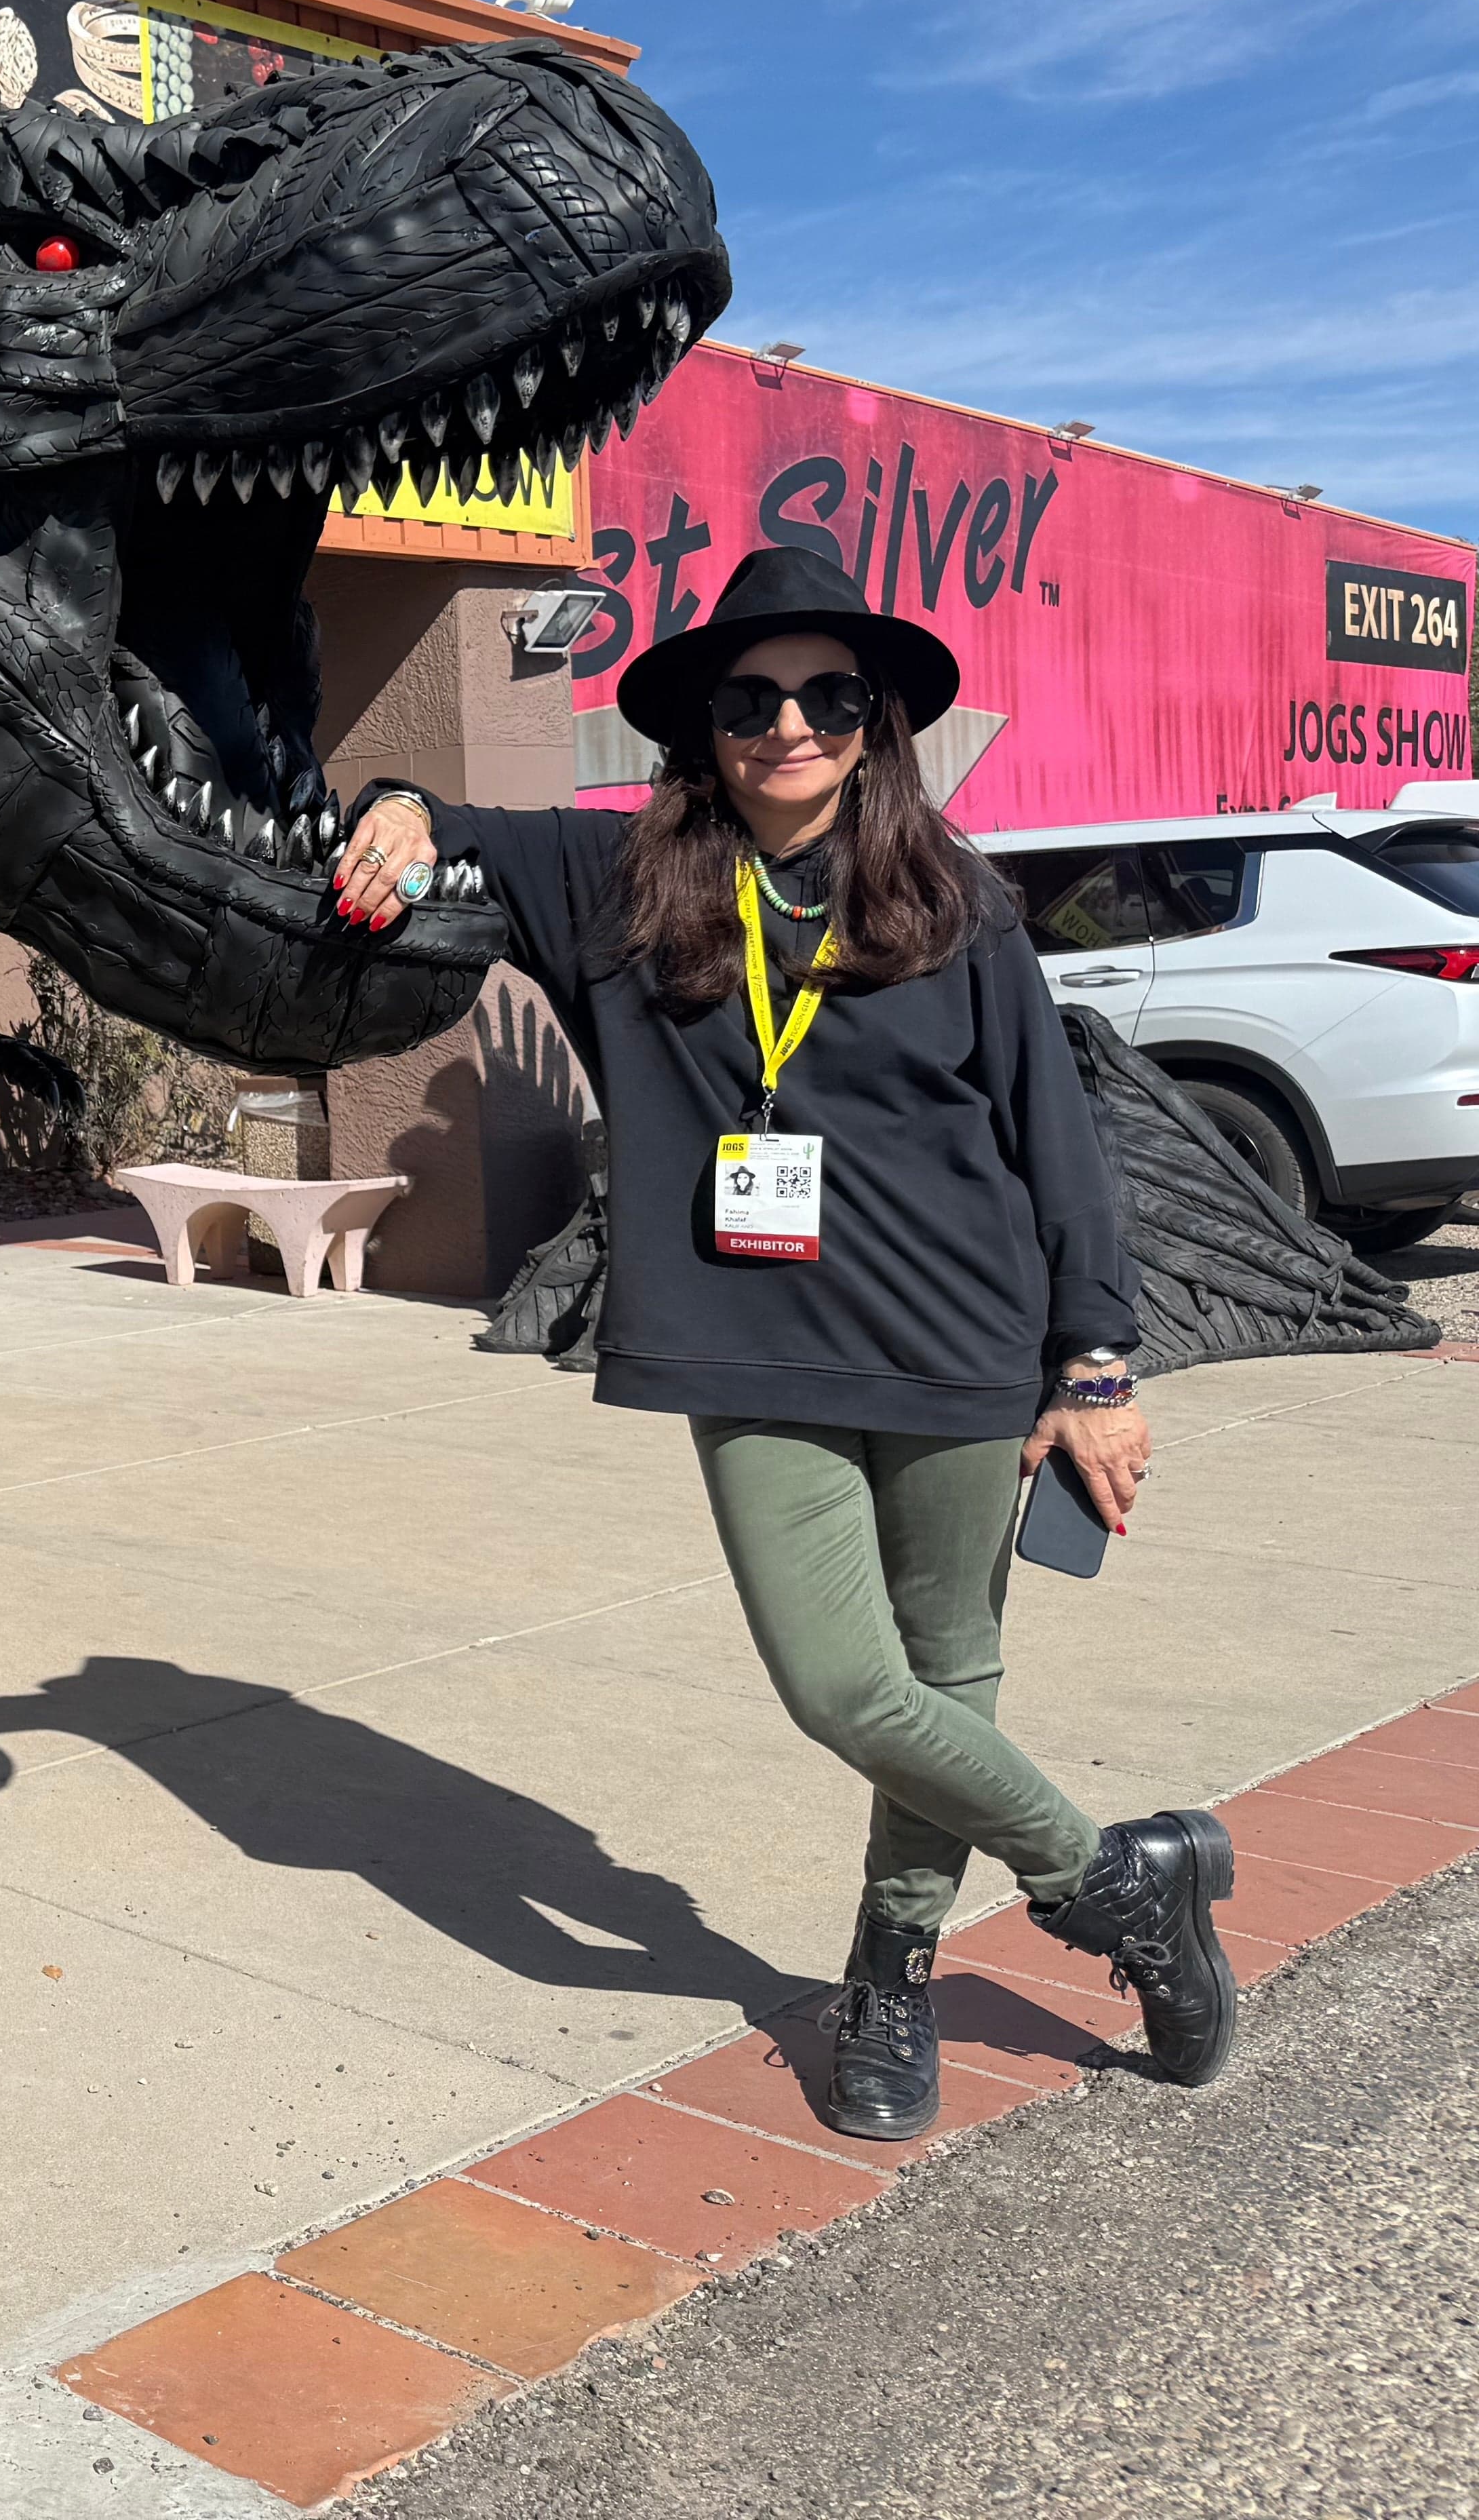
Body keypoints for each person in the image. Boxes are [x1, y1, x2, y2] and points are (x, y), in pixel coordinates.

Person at [332, 545, 1235, 2138]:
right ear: (705, 730)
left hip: (966, 1351)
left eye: (829, 695)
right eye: (750, 699)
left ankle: (891, 1971)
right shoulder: (624, 889)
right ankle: (1115, 1879)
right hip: (748, 1355)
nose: (789, 726)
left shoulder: (959, 904)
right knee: (844, 1686)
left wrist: (1095, 1367)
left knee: (950, 1677)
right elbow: (445, 815)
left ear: (876, 722)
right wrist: (401, 805)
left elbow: (1059, 1147)